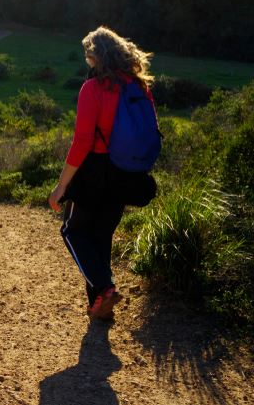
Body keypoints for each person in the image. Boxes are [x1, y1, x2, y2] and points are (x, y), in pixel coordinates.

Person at [48, 26, 156, 321]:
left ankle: (105, 289)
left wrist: (61, 186)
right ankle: (100, 309)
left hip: (94, 170)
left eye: (88, 53)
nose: (86, 59)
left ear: (97, 55)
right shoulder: (138, 87)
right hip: (125, 172)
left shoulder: (94, 88)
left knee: (72, 232)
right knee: (100, 237)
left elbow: (82, 141)